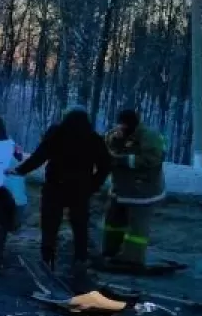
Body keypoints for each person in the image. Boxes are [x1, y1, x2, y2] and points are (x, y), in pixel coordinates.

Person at [11, 106, 113, 293]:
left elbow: (39, 157)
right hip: (80, 190)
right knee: (79, 226)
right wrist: (93, 185)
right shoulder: (93, 138)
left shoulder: (57, 134)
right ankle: (80, 262)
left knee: (50, 224)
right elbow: (106, 165)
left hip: (55, 186)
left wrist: (20, 170)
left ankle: (47, 260)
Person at [102, 108, 166, 268]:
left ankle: (133, 259)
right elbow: (107, 148)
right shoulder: (115, 134)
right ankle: (110, 251)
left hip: (143, 191)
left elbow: (153, 159)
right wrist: (114, 141)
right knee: (113, 223)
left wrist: (122, 160)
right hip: (121, 190)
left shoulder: (150, 137)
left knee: (137, 229)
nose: (122, 128)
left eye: (125, 125)